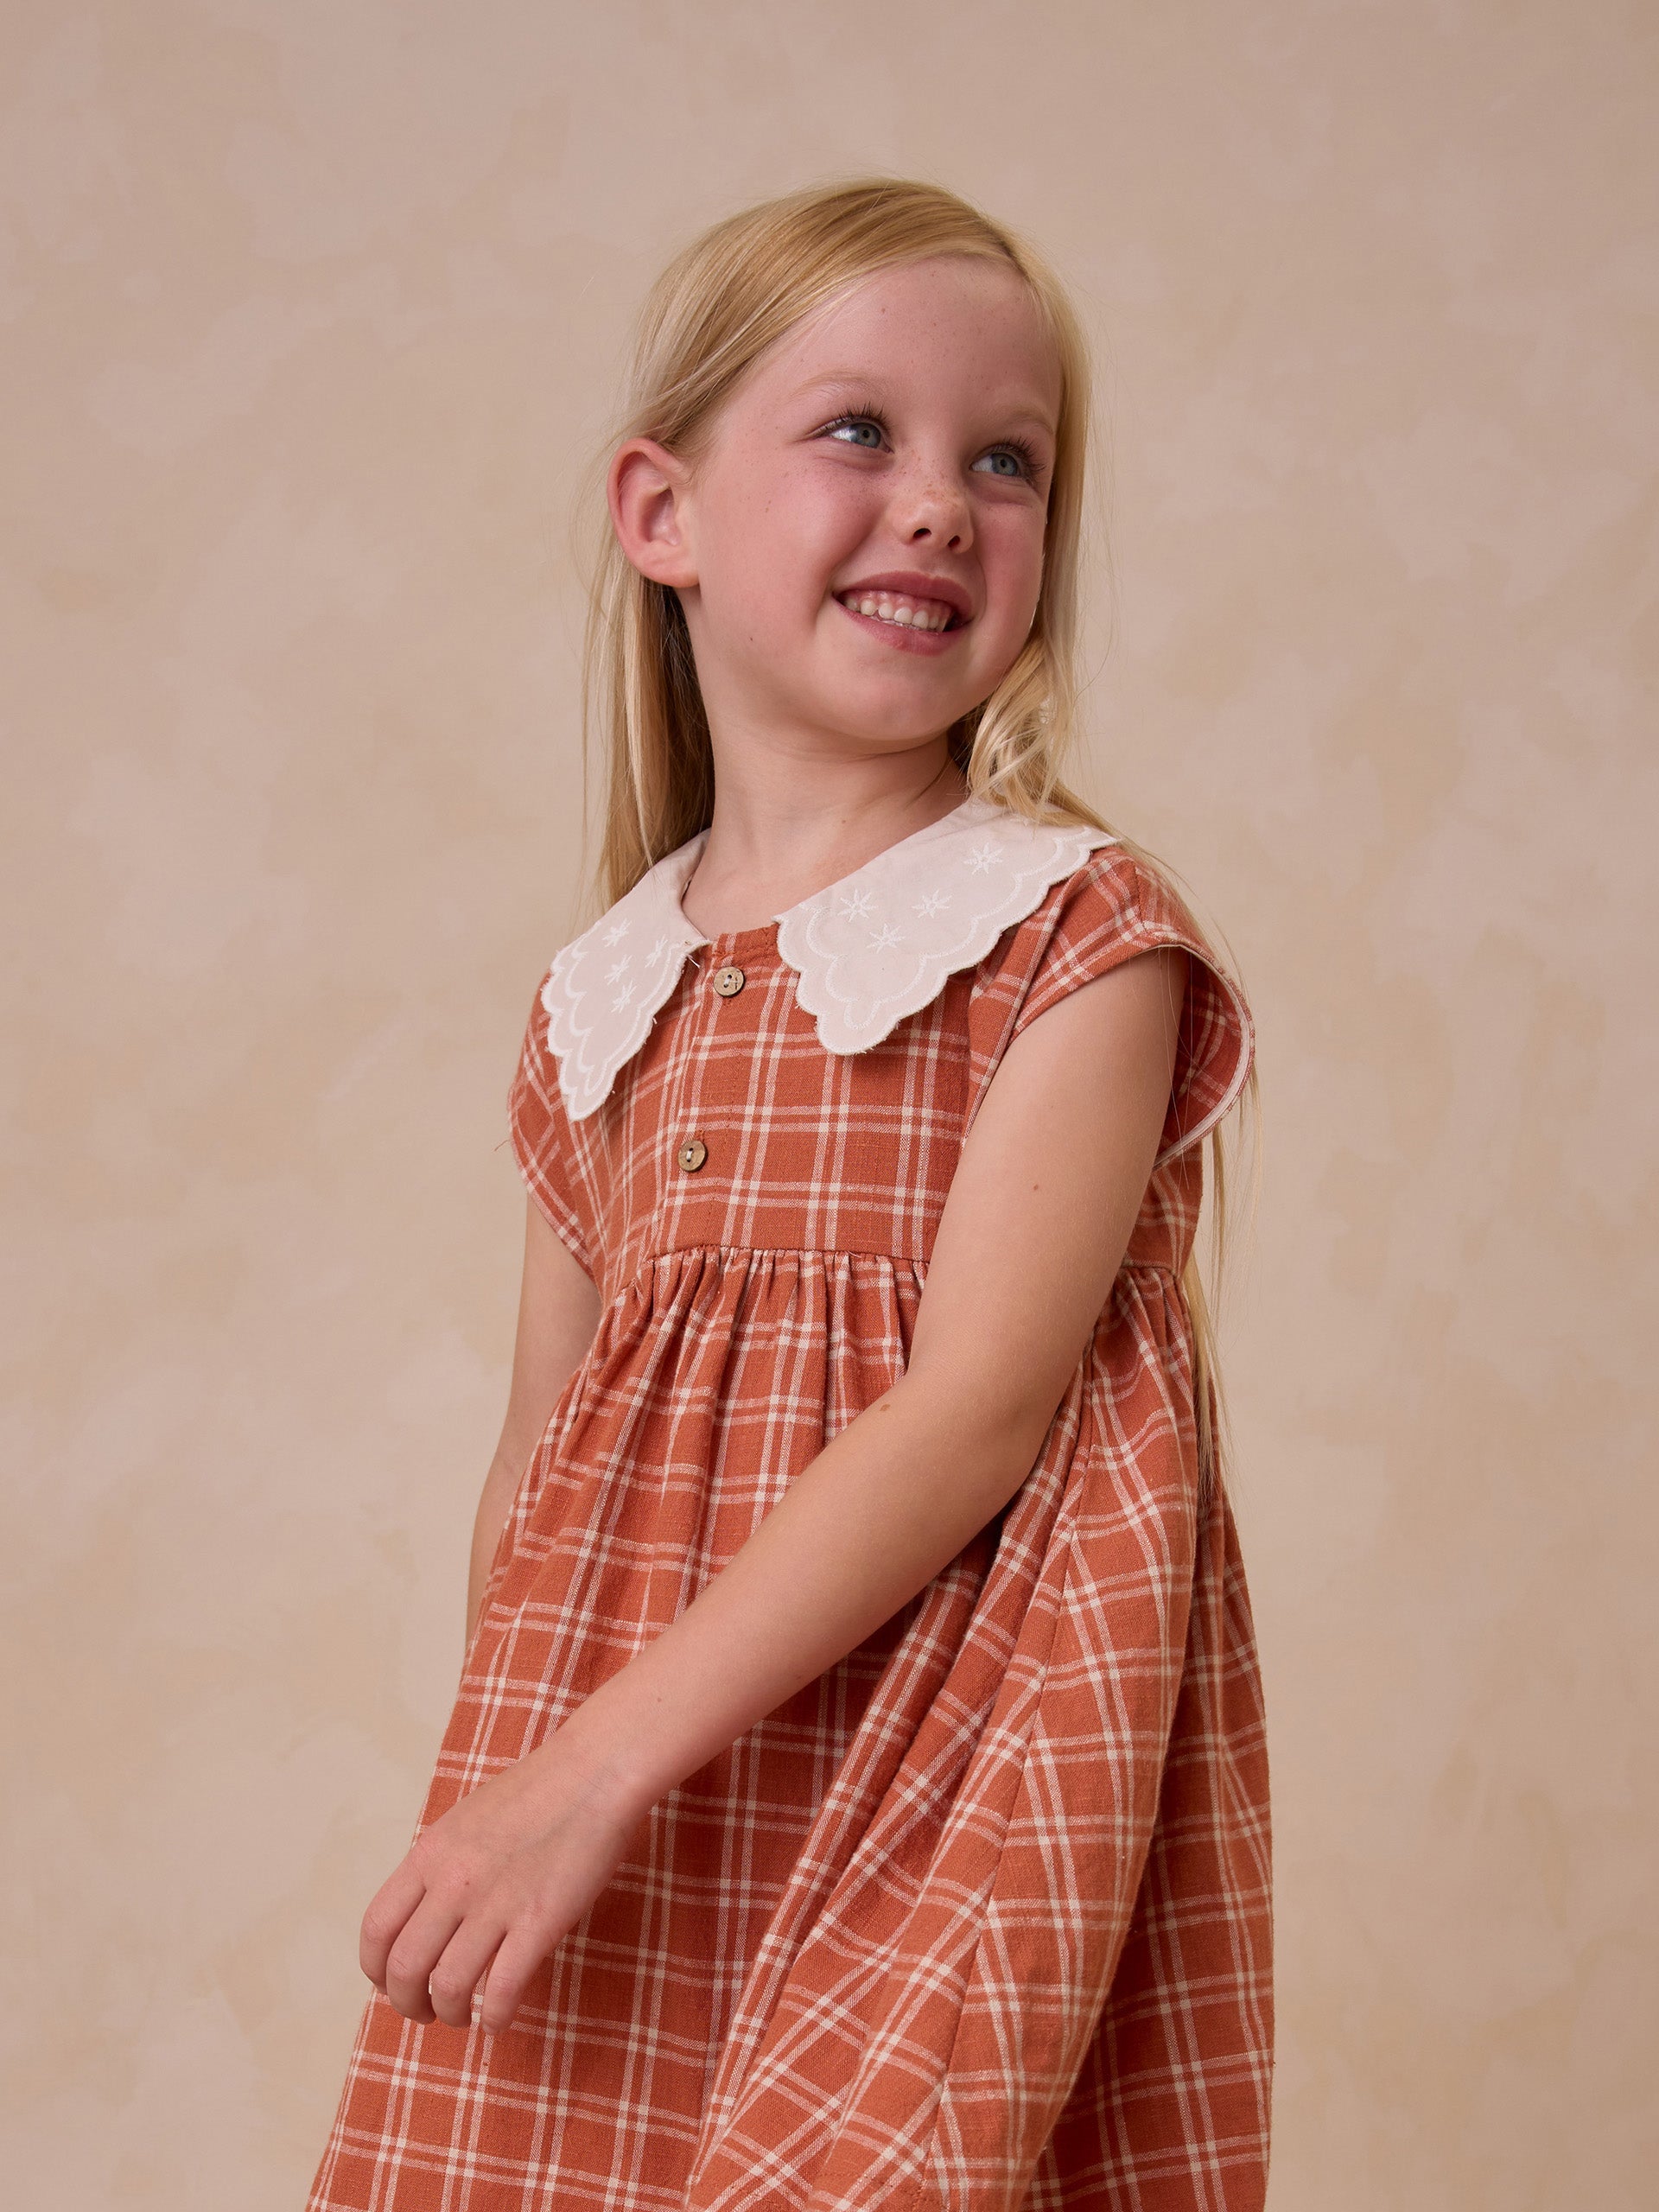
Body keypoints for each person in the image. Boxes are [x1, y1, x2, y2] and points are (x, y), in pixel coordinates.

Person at [305, 175, 1271, 2212]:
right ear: (660, 514)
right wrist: (521, 1790)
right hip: (648, 1799)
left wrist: (581, 1774)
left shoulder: (1071, 940)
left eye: (1005, 461)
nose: (940, 503)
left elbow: (973, 1412)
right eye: (862, 432)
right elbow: (539, 1463)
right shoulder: (603, 1001)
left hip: (953, 1777)